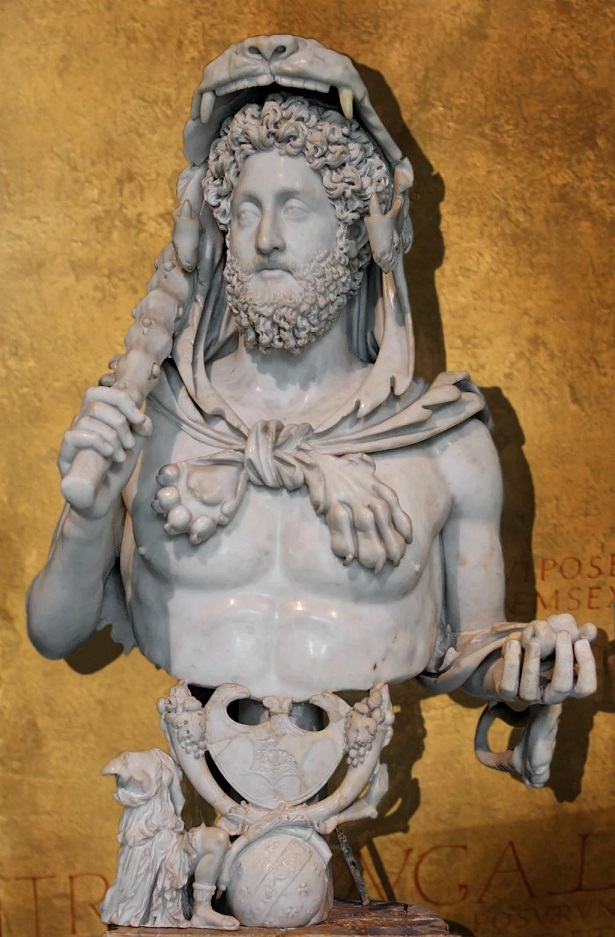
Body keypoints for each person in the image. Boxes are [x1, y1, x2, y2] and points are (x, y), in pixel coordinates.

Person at [27, 36, 596, 786]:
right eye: (247, 211)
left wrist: (526, 670)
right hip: (186, 793)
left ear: (359, 231)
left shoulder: (441, 445)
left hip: (350, 792)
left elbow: (469, 654)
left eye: (295, 209)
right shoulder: (154, 415)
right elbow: (55, 631)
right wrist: (88, 516)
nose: (266, 240)